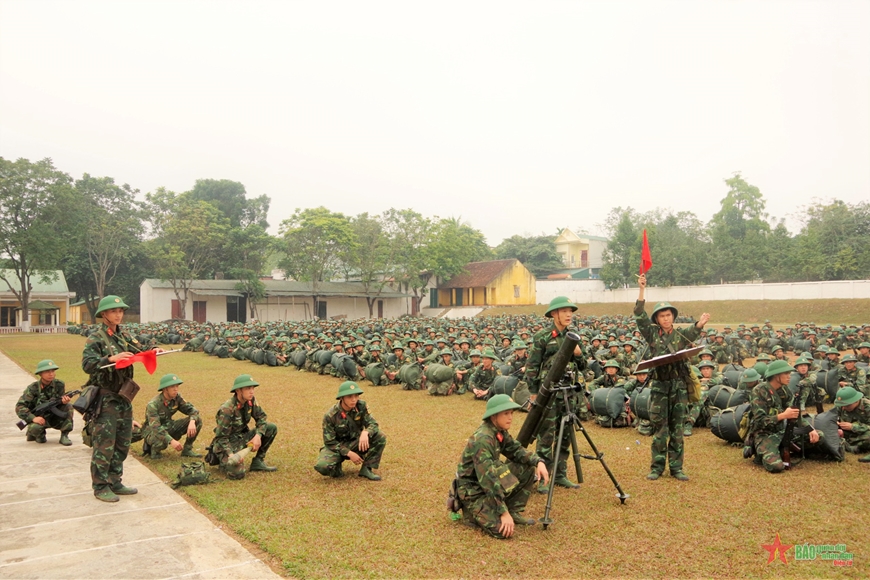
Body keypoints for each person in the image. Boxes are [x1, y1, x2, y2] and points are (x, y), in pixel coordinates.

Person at [634, 274, 710, 481]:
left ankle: (676, 467)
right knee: (660, 428)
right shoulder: (651, 335)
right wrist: (641, 290)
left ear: (673, 317)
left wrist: (700, 323)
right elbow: (639, 315)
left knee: (677, 429)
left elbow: (694, 332)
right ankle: (657, 467)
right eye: (662, 316)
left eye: (669, 315)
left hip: (678, 387)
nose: (666, 319)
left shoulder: (681, 336)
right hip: (659, 387)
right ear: (657, 319)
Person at [82, 295, 158, 502]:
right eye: (114, 311)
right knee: (104, 443)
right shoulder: (96, 338)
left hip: (124, 397)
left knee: (122, 441)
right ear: (104, 314)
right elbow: (87, 364)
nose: (118, 314)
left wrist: (152, 352)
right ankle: (100, 486)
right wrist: (110, 359)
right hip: (106, 399)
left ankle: (115, 480)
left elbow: (138, 350)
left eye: (121, 311)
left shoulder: (122, 336)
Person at [454, 394, 549, 539]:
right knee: (502, 531)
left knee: (526, 466)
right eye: (506, 413)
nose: (510, 417)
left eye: (511, 413)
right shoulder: (483, 440)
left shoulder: (498, 432)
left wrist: (538, 461)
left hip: (486, 484)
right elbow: (488, 480)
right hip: (473, 491)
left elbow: (516, 450)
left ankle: (513, 511)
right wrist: (502, 513)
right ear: (493, 416)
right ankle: (470, 513)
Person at [524, 296, 588, 492]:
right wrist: (534, 393)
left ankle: (560, 475)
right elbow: (532, 366)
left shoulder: (574, 338)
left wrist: (578, 354)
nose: (569, 314)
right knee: (546, 436)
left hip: (568, 394)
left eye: (571, 311)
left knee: (566, 434)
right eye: (564, 311)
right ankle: (544, 477)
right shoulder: (543, 337)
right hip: (549, 393)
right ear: (554, 314)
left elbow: (584, 366)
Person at [747, 360, 823, 473]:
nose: (789, 377)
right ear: (776, 375)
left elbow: (795, 416)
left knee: (818, 435)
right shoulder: (759, 391)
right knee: (776, 467)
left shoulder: (785, 390)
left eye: (789, 374)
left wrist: (809, 428)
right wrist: (782, 416)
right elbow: (759, 421)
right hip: (764, 434)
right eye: (786, 374)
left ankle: (782, 450)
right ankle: (762, 452)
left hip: (782, 432)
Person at [209, 374, 279, 479]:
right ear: (238, 391)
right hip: (226, 445)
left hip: (242, 437)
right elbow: (221, 438)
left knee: (271, 427)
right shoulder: (227, 409)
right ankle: (223, 461)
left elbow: (262, 418)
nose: (252, 391)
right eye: (248, 388)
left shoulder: (250, 401)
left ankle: (258, 461)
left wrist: (258, 436)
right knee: (238, 474)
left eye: (252, 388)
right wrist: (231, 455)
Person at [314, 381, 386, 480]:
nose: (354, 399)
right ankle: (336, 469)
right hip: (337, 447)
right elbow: (330, 442)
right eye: (349, 396)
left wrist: (366, 432)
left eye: (356, 396)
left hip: (356, 443)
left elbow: (373, 424)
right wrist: (349, 453)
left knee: (380, 436)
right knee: (322, 466)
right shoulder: (331, 416)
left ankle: (366, 468)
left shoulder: (361, 406)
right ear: (341, 398)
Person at [142, 373, 203, 459]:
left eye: (177, 386)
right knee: (161, 441)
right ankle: (154, 450)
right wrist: (172, 441)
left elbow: (193, 410)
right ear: (165, 389)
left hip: (168, 425)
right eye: (172, 387)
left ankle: (187, 449)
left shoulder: (177, 398)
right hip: (152, 432)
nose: (176, 389)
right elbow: (156, 428)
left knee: (198, 420)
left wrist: (192, 421)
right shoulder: (153, 404)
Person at [16, 359, 73, 445]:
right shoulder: (33, 388)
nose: (51, 374)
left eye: (53, 371)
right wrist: (33, 418)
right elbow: (20, 407)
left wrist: (63, 402)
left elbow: (59, 402)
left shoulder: (59, 384)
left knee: (68, 406)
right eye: (47, 371)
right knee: (38, 435)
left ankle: (65, 435)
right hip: (39, 418)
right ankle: (36, 434)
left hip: (54, 416)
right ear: (40, 374)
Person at [834, 386, 870, 462]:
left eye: (847, 405)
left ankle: (846, 445)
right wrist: (835, 422)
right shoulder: (841, 406)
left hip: (863, 433)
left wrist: (853, 427)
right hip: (846, 432)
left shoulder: (867, 407)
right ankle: (852, 445)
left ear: (857, 401)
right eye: (842, 405)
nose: (843, 408)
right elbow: (832, 416)